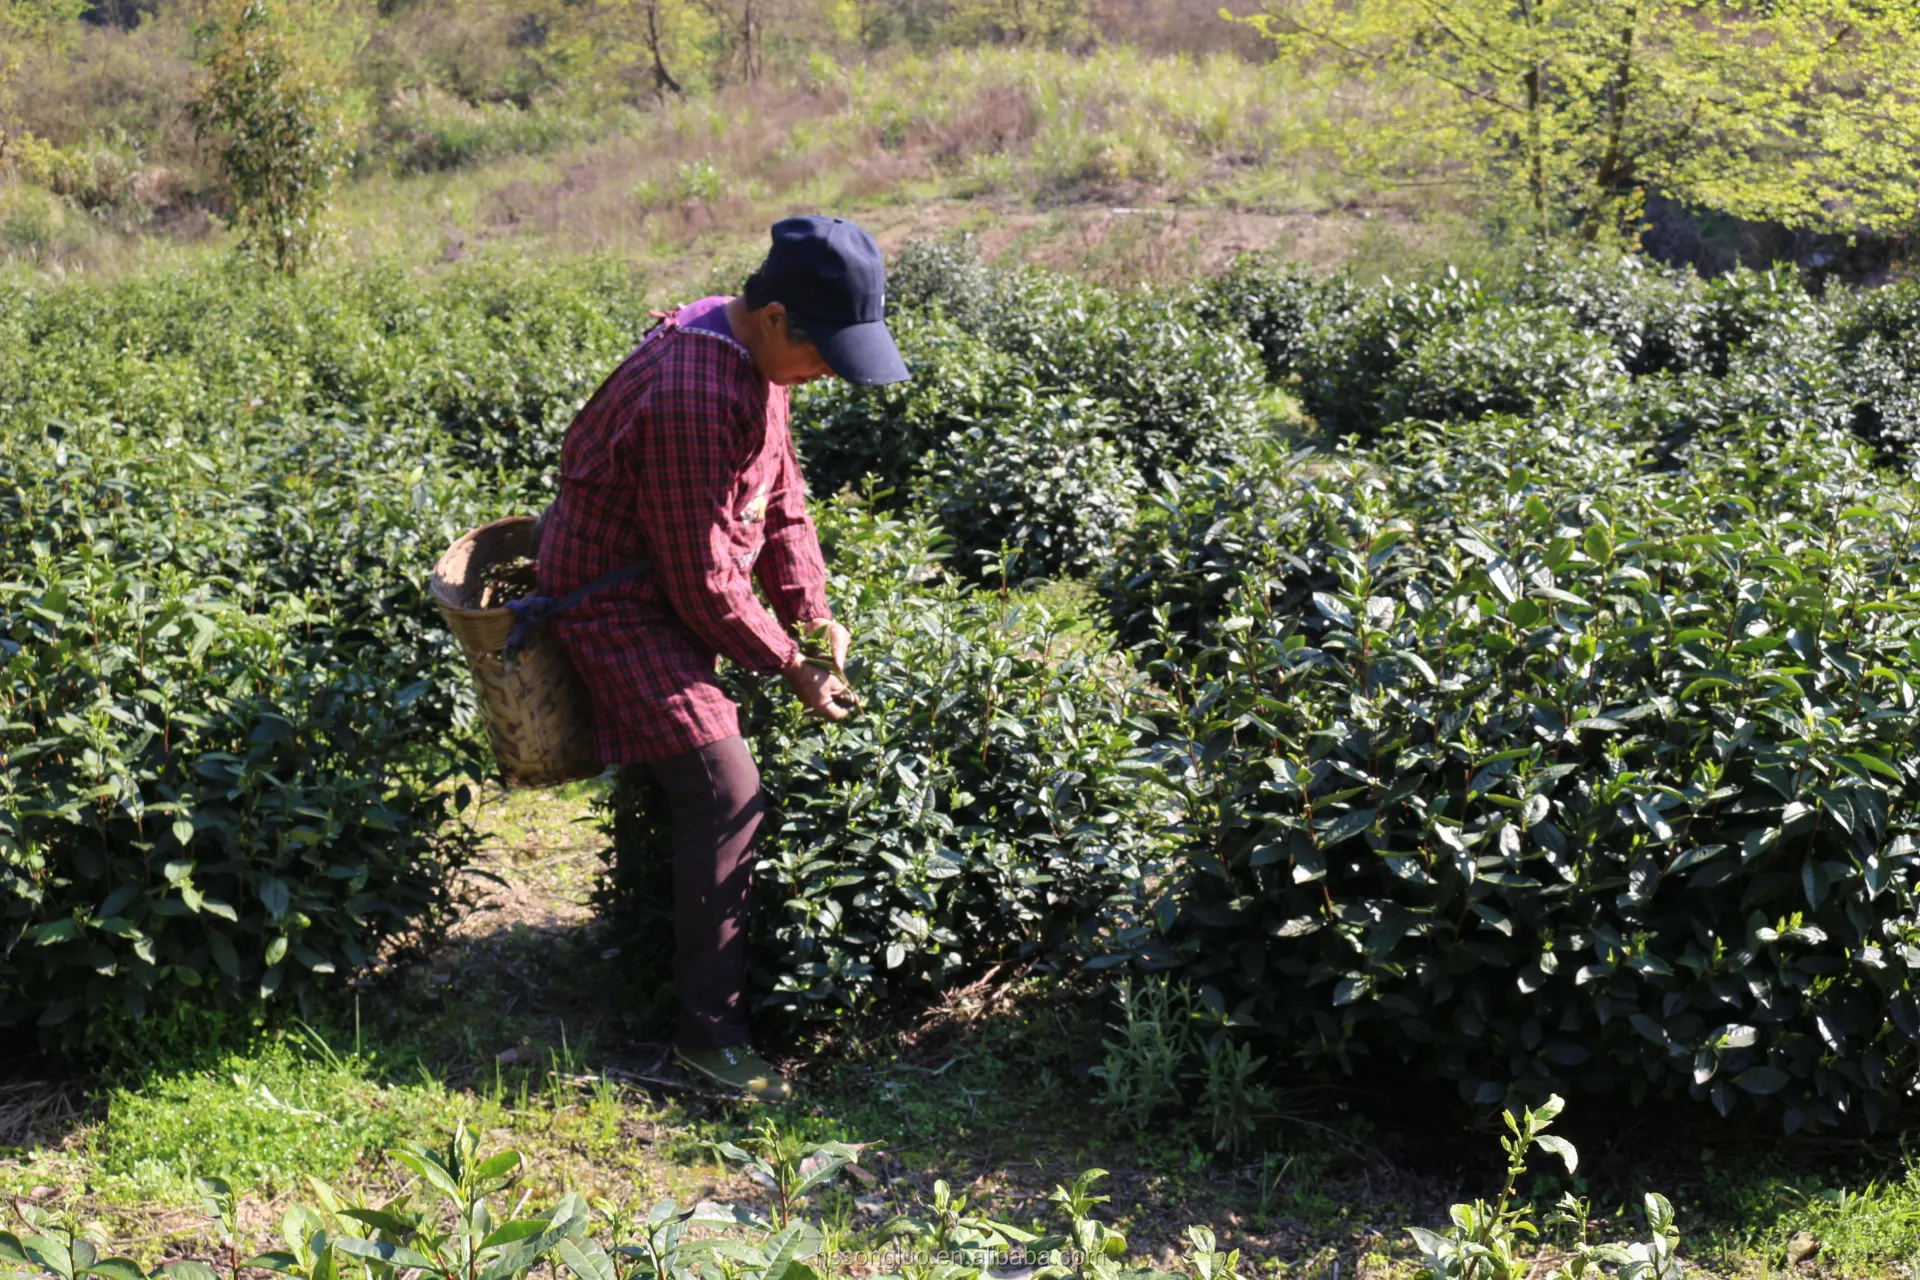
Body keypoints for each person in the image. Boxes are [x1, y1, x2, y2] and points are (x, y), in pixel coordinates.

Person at [535, 216, 910, 1100]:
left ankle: (645, 944)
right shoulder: (694, 389)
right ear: (776, 316)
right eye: (824, 352)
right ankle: (709, 1038)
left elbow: (781, 501)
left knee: (701, 776)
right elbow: (700, 579)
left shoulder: (753, 353)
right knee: (723, 788)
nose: (825, 373)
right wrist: (791, 664)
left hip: (671, 585)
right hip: (618, 604)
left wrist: (813, 619)